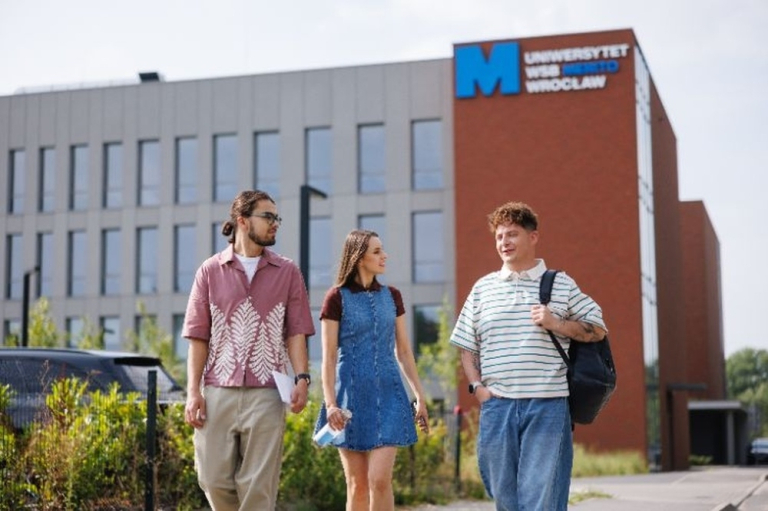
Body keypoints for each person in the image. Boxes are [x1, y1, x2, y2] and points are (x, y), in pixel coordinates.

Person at [449, 201, 607, 511]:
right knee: (503, 495)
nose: (504, 242)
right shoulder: (483, 288)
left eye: (512, 234)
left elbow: (598, 329)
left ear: (533, 237)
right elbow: (467, 346)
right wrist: (477, 388)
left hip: (547, 403)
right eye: (499, 236)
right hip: (497, 404)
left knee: (540, 496)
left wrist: (556, 323)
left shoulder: (560, 283)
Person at [182, 190, 315, 510]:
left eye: (276, 217)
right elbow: (198, 336)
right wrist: (193, 391)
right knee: (212, 478)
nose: (275, 223)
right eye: (268, 216)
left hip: (268, 391)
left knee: (258, 485)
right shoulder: (210, 271)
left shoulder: (288, 272)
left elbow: (296, 331)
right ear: (242, 221)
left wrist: (302, 378)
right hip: (218, 389)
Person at [313, 229, 430, 511]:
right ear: (358, 257)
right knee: (357, 484)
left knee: (379, 480)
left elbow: (404, 351)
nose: (384, 256)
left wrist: (419, 395)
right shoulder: (336, 298)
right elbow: (328, 357)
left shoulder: (393, 296)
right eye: (377, 251)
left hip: (389, 396)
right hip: (349, 399)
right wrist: (331, 404)